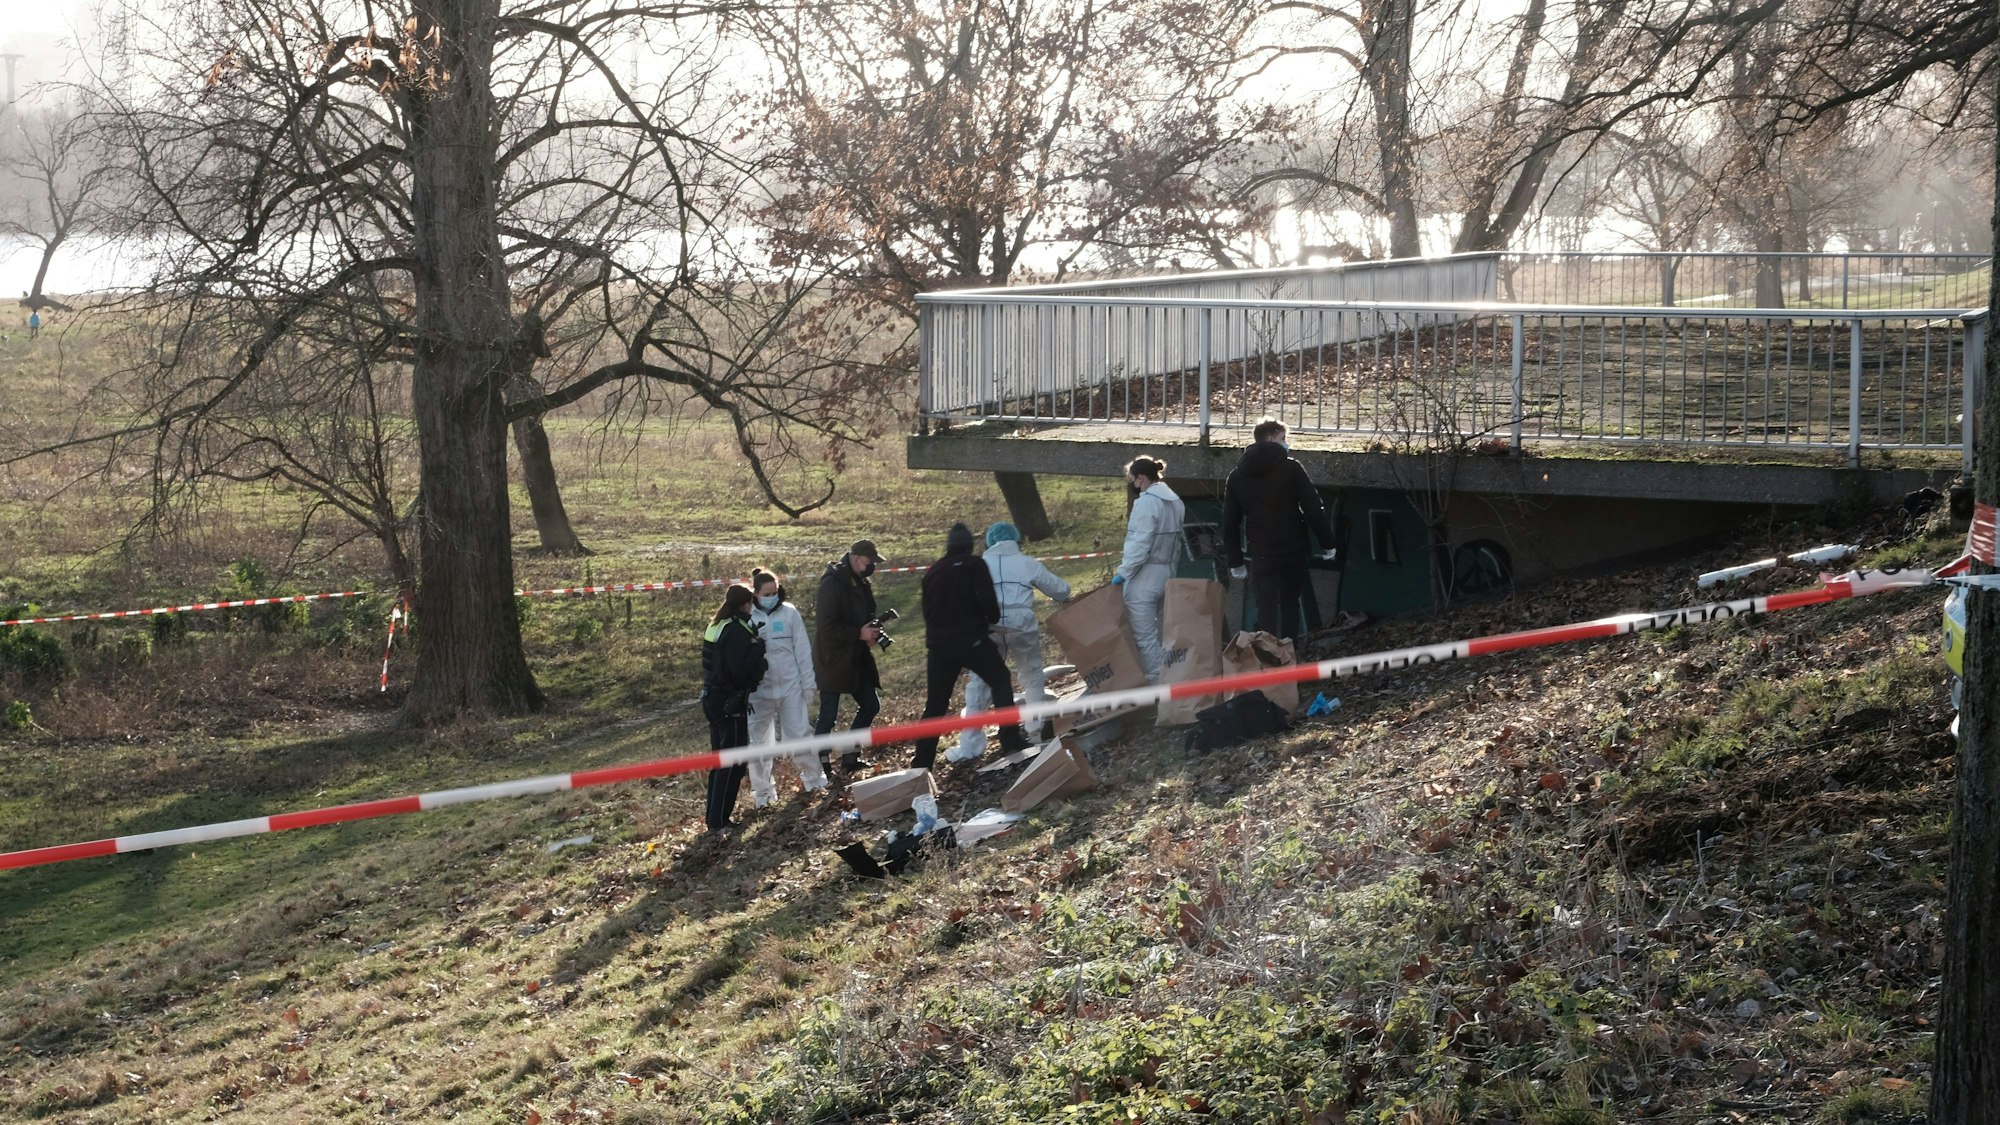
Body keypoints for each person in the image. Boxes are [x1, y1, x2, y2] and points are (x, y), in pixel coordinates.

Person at [912, 522, 1030, 770]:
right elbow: (988, 603)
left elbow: (927, 612)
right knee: (1000, 680)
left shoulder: (932, 572)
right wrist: (988, 620)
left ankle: (921, 764)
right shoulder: (975, 565)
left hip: (939, 647)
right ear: (970, 545)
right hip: (971, 641)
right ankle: (1010, 738)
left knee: (936, 704)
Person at [949, 522, 1069, 762]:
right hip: (1022, 622)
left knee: (980, 681)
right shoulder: (1027, 563)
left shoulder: (980, 564)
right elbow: (1061, 590)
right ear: (1016, 539)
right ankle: (1036, 731)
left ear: (989, 541)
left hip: (988, 623)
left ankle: (970, 746)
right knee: (1032, 675)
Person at [1221, 418, 1339, 640]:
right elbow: (1313, 508)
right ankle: (1289, 651)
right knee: (1289, 604)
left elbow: (1230, 522)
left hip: (1261, 551)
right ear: (1272, 437)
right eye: (1283, 438)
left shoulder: (1237, 476)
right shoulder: (1291, 468)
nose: (1286, 443)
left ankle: (1268, 654)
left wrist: (1235, 560)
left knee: (1265, 607)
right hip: (1293, 548)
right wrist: (1328, 543)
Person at [745, 567, 827, 806]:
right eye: (766, 594)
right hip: (760, 692)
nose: (771, 597)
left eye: (775, 592)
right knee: (759, 743)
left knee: (800, 734)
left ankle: (815, 779)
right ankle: (763, 793)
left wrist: (808, 684)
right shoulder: (748, 616)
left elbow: (802, 650)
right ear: (756, 593)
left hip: (791, 686)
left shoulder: (789, 613)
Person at [813, 539, 887, 774]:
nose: (872, 566)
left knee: (870, 705)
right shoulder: (832, 583)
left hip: (857, 656)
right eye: (869, 561)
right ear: (856, 559)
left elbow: (867, 614)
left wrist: (872, 633)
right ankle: (820, 766)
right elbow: (825, 626)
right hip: (832, 659)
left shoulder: (862, 582)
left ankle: (850, 756)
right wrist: (858, 633)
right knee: (828, 715)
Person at [1112, 455, 1185, 683]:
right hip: (1168, 572)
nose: (1133, 485)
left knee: (1143, 636)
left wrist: (1123, 573)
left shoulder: (1146, 503)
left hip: (1145, 575)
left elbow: (1139, 545)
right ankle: (1173, 676)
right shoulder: (1175, 501)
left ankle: (1156, 682)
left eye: (1133, 480)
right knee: (1163, 632)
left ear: (1141, 478)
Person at [701, 583, 766, 834]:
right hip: (730, 703)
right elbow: (739, 669)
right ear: (745, 605)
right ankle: (719, 822)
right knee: (734, 763)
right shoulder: (737, 630)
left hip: (712, 699)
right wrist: (758, 650)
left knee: (720, 762)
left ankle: (714, 817)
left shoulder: (717, 624)